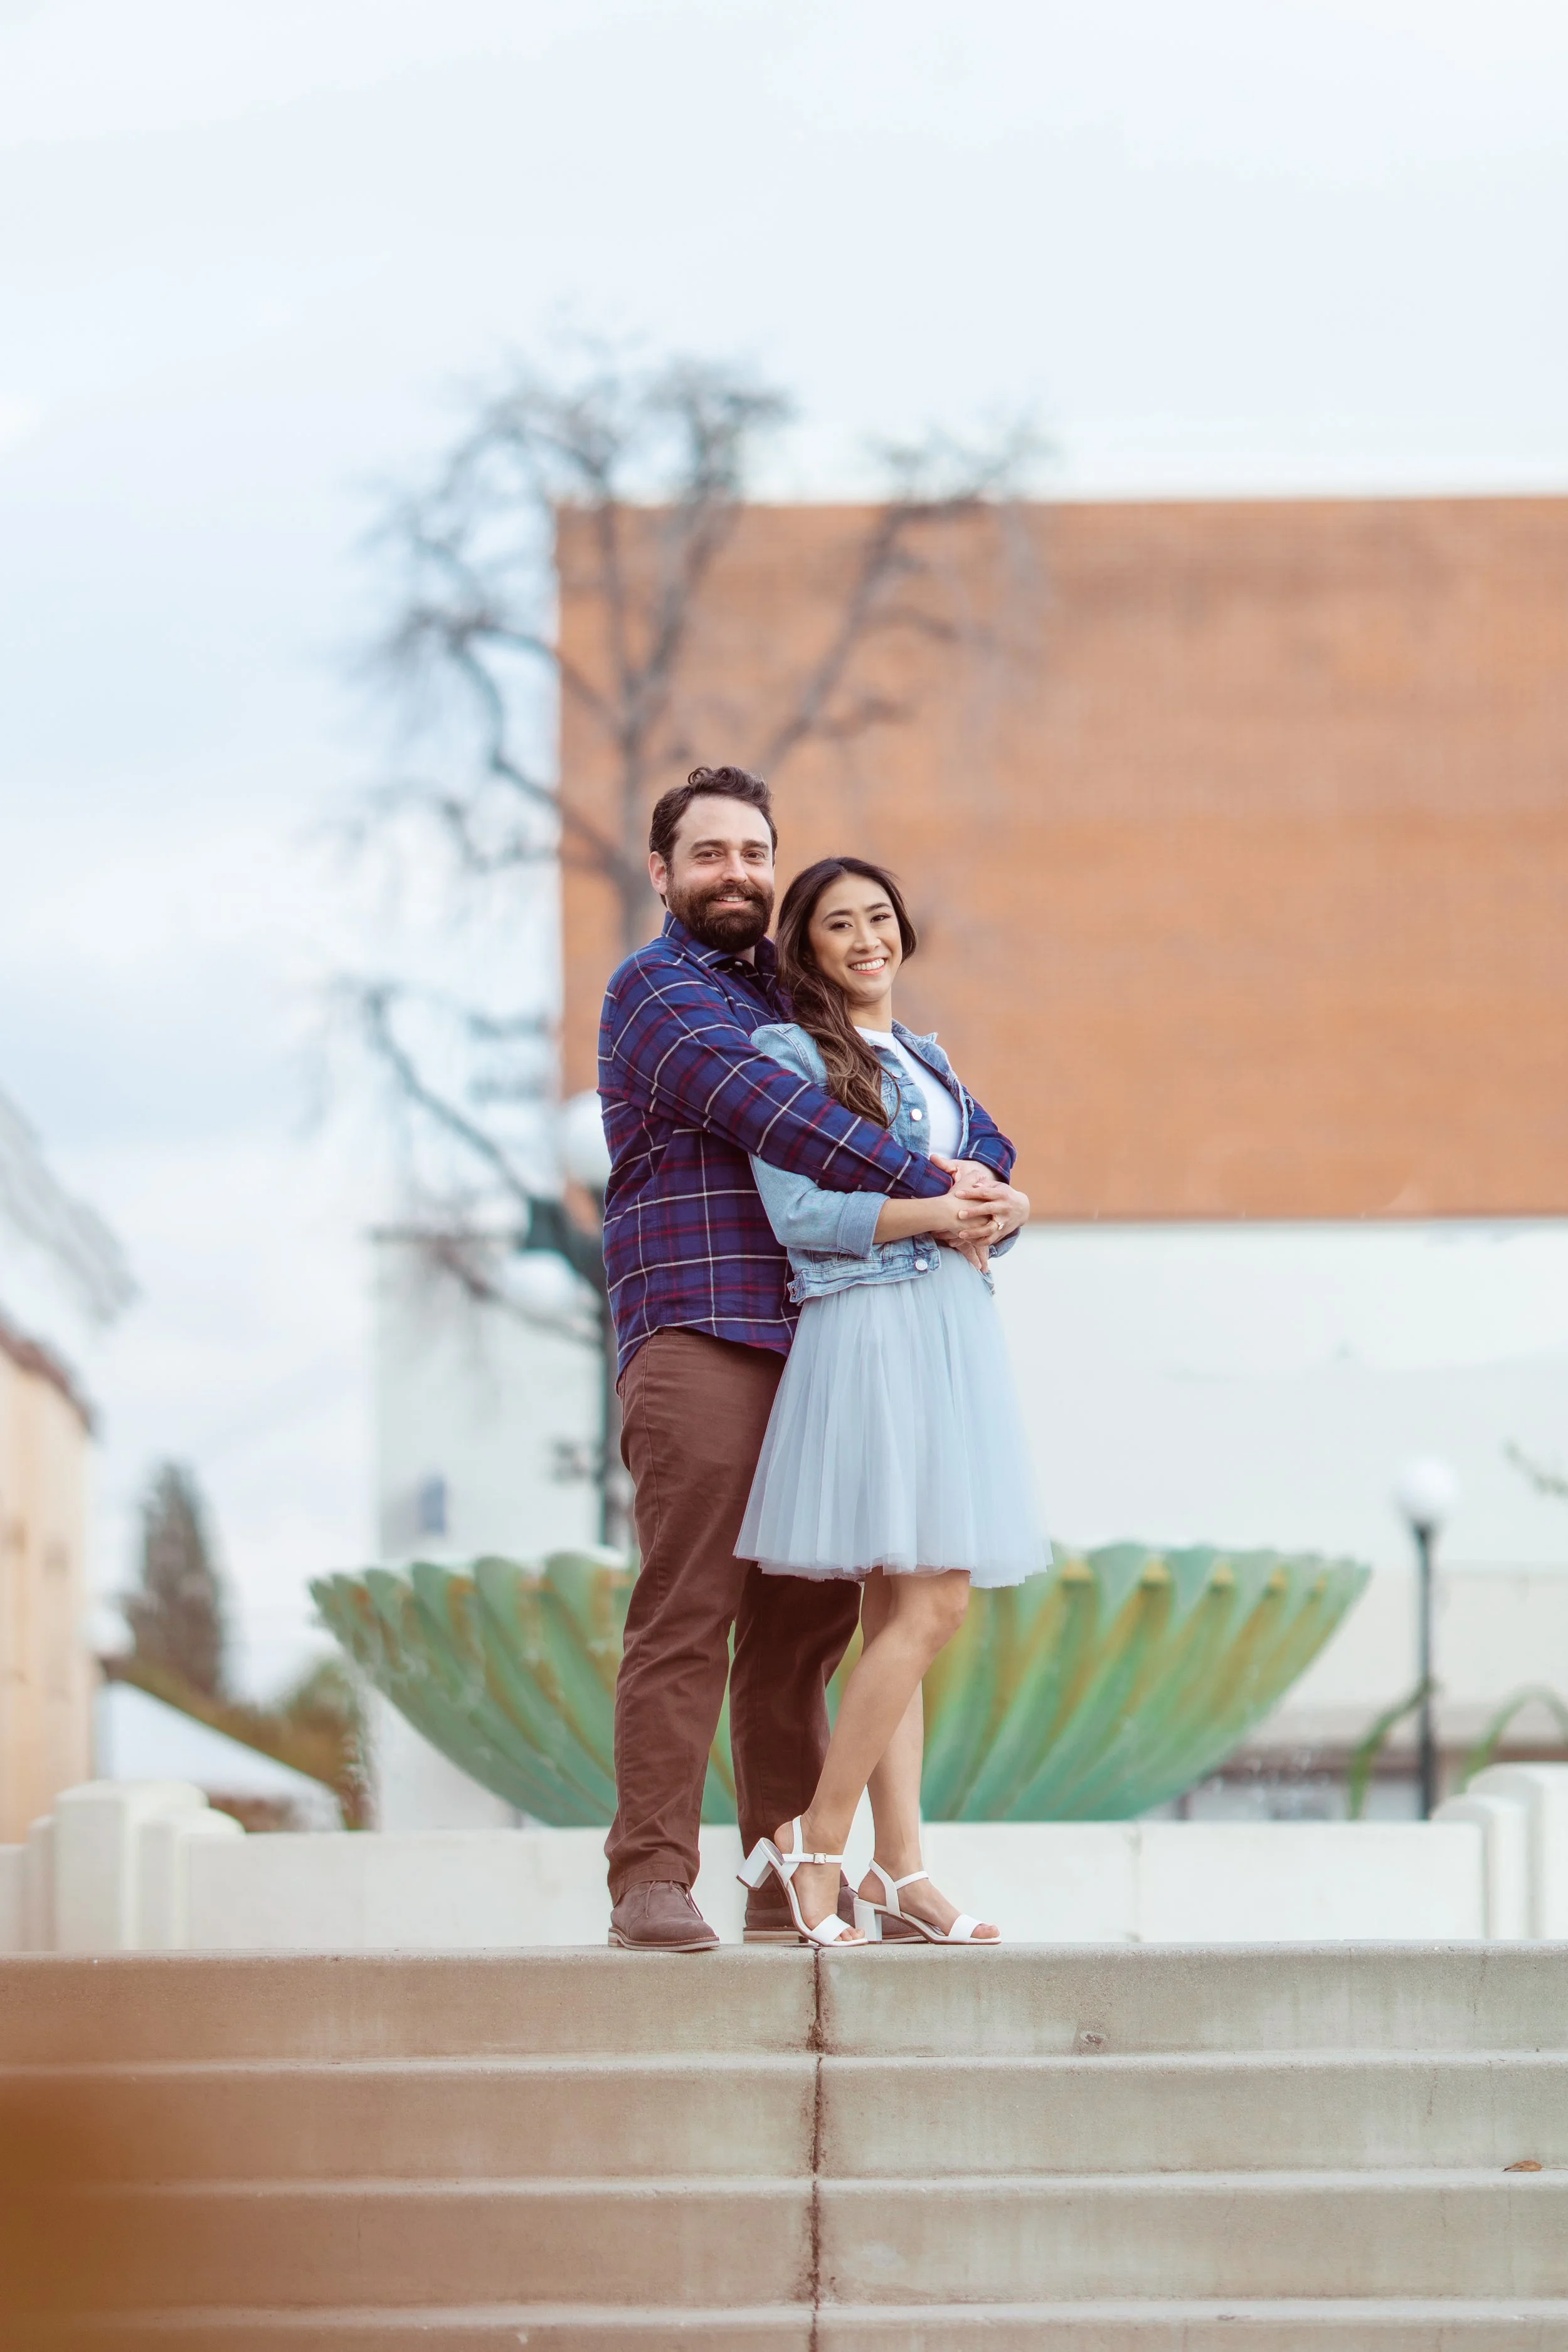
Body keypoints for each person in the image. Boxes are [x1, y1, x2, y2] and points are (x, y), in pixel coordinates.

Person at [599, 766, 1029, 1952]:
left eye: (754, 852)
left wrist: (992, 1179)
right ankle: (650, 1874)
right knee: (690, 1606)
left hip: (824, 1337)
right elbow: (779, 1121)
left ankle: (788, 1875)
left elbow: (944, 1104)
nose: (735, 871)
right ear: (664, 872)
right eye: (710, 853)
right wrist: (942, 1188)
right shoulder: (657, 992)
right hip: (698, 1326)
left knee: (805, 1628)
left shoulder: (801, 1000)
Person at [734, 856, 1049, 1946]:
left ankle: (902, 1870)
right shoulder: (787, 1052)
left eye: (879, 918)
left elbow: (989, 1183)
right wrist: (943, 1214)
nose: (866, 938)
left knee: (900, 1616)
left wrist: (1007, 1206)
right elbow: (801, 1211)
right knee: (935, 1605)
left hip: (950, 1328)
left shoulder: (927, 1056)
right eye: (837, 924)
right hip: (869, 1329)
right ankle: (815, 1843)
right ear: (806, 946)